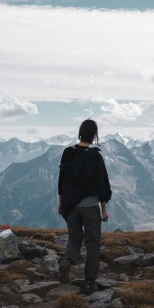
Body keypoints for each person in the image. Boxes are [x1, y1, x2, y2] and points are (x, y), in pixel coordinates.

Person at [57, 119, 112, 295]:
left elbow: (62, 181)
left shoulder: (67, 152)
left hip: (70, 205)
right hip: (89, 206)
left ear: (80, 133)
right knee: (93, 242)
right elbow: (102, 184)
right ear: (95, 135)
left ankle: (66, 260)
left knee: (74, 236)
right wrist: (103, 208)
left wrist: (61, 203)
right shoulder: (95, 156)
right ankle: (89, 282)